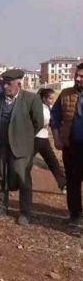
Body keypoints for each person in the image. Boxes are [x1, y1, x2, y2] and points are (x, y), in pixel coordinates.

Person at [0, 69, 44, 226]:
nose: (5, 86)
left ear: (18, 83)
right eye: (3, 83)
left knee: (23, 179)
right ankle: (1, 206)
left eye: (9, 83)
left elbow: (38, 122)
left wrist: (23, 137)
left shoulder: (31, 99)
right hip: (1, 145)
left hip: (20, 147)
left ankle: (25, 212)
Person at [51, 63, 83, 227]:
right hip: (71, 147)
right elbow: (54, 117)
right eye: (76, 75)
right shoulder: (65, 94)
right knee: (73, 182)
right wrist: (56, 138)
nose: (77, 79)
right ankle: (75, 214)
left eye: (81, 77)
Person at [35, 88, 66, 194]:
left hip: (44, 139)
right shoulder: (40, 108)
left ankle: (63, 185)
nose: (52, 101)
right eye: (50, 98)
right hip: (35, 139)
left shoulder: (50, 108)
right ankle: (13, 182)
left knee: (53, 162)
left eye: (53, 98)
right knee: (25, 163)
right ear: (43, 98)